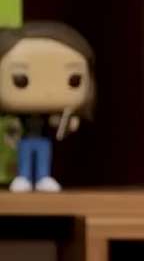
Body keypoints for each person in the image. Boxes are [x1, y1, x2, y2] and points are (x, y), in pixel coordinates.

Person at [0, 22, 94, 192]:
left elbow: (59, 126)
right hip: (25, 139)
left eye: (74, 80)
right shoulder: (20, 117)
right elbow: (11, 127)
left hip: (43, 140)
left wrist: (67, 123)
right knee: (25, 155)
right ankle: (24, 176)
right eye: (20, 80)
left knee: (43, 155)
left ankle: (43, 177)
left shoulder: (51, 116)